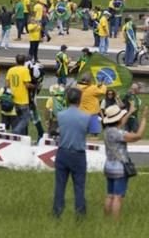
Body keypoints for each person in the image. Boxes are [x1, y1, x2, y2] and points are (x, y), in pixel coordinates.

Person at [53, 87, 102, 218]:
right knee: (79, 186)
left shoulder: (61, 115)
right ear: (80, 100)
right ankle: (80, 213)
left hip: (62, 152)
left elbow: (55, 130)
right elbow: (94, 131)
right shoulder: (86, 117)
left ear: (67, 99)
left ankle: (57, 212)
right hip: (78, 153)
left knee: (60, 185)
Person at [101, 103, 148, 220]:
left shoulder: (107, 131)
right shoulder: (119, 134)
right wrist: (144, 119)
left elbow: (120, 123)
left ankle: (106, 218)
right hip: (120, 168)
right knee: (118, 197)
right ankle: (115, 221)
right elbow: (138, 136)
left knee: (110, 195)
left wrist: (130, 112)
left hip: (108, 166)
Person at [5, 54, 33, 135]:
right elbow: (27, 85)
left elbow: (7, 85)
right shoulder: (25, 70)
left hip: (13, 99)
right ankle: (16, 131)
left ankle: (21, 136)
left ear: (16, 61)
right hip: (23, 99)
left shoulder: (11, 70)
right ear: (24, 62)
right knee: (26, 119)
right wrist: (35, 86)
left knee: (19, 119)